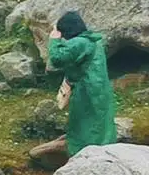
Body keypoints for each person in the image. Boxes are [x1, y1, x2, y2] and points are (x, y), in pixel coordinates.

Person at [48, 10, 117, 156]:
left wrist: (54, 40)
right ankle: (106, 150)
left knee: (83, 123)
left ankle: (83, 154)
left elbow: (57, 58)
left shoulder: (79, 42)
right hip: (100, 88)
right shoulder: (94, 40)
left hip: (86, 90)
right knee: (101, 122)